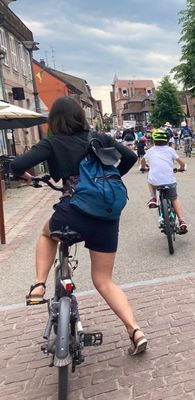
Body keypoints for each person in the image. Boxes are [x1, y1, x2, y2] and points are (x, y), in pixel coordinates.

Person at [9, 96, 147, 356]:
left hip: (73, 213)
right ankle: (135, 330)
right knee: (104, 280)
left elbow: (17, 165)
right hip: (106, 216)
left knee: (47, 234)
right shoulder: (99, 139)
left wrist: (26, 178)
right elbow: (129, 157)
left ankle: (38, 285)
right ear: (81, 118)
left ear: (55, 121)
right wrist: (108, 179)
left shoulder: (53, 142)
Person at [141, 129, 188, 234]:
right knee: (174, 198)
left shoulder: (150, 151)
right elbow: (182, 163)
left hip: (155, 180)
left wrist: (144, 167)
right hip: (169, 180)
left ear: (154, 140)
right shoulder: (170, 150)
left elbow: (143, 161)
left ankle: (153, 197)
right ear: (167, 140)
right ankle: (181, 220)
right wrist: (181, 168)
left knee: (150, 178)